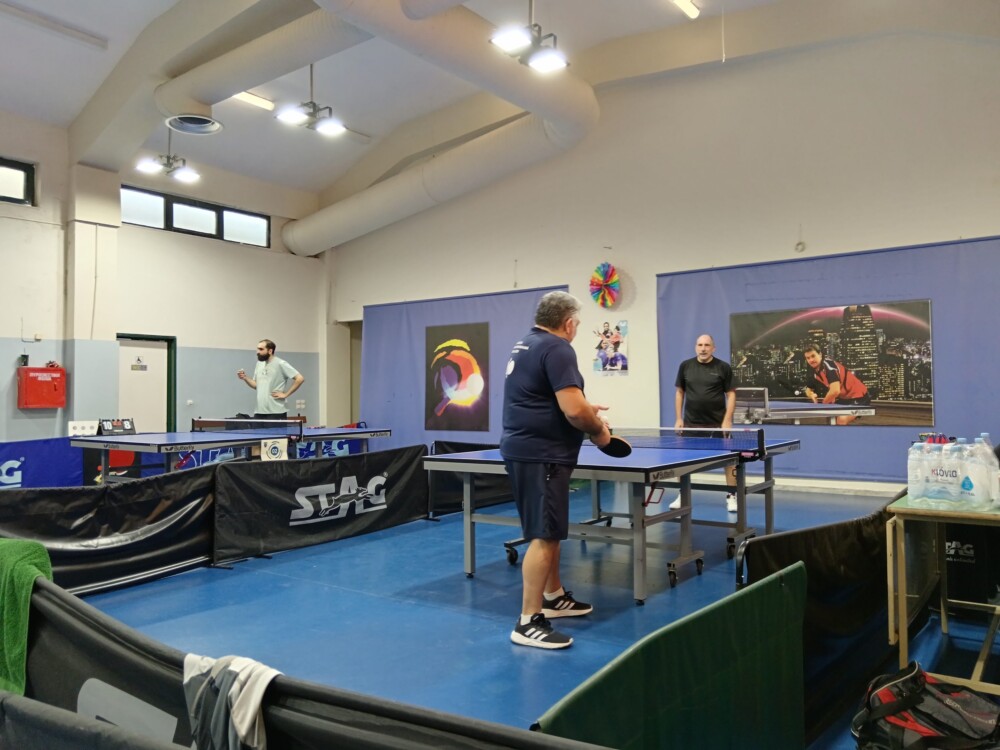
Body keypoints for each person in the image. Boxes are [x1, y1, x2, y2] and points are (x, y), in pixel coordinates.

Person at [501, 291, 612, 650]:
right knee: (544, 535)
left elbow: (548, 398)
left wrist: (584, 407)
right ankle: (528, 621)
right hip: (543, 454)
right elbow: (575, 411)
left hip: (526, 450)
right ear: (568, 323)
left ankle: (553, 596)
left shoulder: (527, 343)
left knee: (549, 531)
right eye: (577, 323)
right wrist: (599, 430)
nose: (576, 328)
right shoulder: (558, 347)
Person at [669, 334, 737, 512]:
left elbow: (731, 395)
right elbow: (680, 393)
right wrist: (679, 418)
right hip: (691, 423)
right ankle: (683, 495)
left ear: (713, 348)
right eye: (700, 345)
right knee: (682, 461)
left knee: (729, 460)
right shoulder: (686, 366)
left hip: (717, 425)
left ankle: (732, 496)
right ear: (695, 347)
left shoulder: (723, 367)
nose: (703, 348)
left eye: (707, 345)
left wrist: (727, 420)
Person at [802, 344, 870, 425]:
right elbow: (808, 389)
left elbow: (835, 391)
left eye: (813, 356)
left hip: (860, 397)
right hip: (844, 399)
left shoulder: (829, 366)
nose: (811, 360)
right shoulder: (813, 371)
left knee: (841, 420)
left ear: (820, 354)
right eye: (808, 358)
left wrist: (823, 404)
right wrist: (811, 395)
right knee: (832, 418)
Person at [237, 339, 304, 419]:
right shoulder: (259, 364)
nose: (257, 352)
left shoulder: (281, 363)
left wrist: (286, 394)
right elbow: (256, 385)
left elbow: (300, 378)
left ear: (270, 351)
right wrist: (245, 378)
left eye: (261, 349)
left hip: (276, 412)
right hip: (259, 411)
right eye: (257, 349)